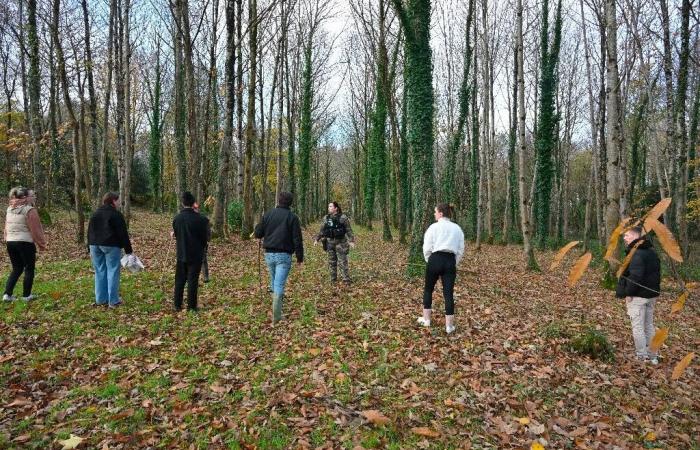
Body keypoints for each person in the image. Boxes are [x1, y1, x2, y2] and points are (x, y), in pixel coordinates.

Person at [253, 191, 304, 324]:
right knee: (278, 283)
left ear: (279, 201)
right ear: (290, 203)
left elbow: (258, 233)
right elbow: (297, 239)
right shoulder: (293, 217)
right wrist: (300, 258)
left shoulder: (268, 214)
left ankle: (277, 308)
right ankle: (276, 316)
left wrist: (261, 223)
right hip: (284, 256)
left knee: (274, 281)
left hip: (269, 254)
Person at [615, 226, 661, 364]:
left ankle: (642, 357)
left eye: (627, 235)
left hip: (639, 296)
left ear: (636, 237)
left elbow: (635, 276)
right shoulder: (651, 252)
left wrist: (628, 293)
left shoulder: (637, 254)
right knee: (648, 325)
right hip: (651, 295)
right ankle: (653, 356)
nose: (624, 238)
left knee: (638, 326)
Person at [417, 203, 465, 334]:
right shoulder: (457, 229)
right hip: (450, 260)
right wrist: (453, 262)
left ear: (441, 213)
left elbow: (427, 247)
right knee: (448, 293)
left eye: (435, 211)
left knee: (428, 289)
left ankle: (426, 320)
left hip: (435, 259)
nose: (434, 214)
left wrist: (430, 260)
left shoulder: (433, 227)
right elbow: (460, 249)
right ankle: (449, 326)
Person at [87, 192, 133, 308]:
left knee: (99, 271)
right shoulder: (116, 215)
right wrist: (128, 251)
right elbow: (123, 233)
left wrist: (89, 247)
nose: (119, 203)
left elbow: (89, 231)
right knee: (113, 271)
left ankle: (100, 299)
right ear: (113, 201)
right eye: (118, 200)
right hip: (111, 245)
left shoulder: (95, 213)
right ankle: (113, 301)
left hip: (94, 245)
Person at [3, 187, 47, 302]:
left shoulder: (9, 209)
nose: (34, 198)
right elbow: (36, 230)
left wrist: (6, 239)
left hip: (10, 242)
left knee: (16, 268)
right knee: (29, 268)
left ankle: (7, 295)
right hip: (25, 243)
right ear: (24, 198)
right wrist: (42, 244)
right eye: (32, 196)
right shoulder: (29, 210)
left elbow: (6, 228)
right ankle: (26, 296)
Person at [172, 192, 210, 312]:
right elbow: (206, 238)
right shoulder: (202, 220)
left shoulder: (177, 218)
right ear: (193, 203)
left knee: (180, 280)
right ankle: (191, 306)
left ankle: (177, 304)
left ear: (183, 203)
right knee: (192, 280)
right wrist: (203, 247)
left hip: (182, 253)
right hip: (196, 254)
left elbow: (177, 234)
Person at [313, 202, 355, 284]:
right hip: (330, 243)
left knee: (343, 261)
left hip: (341, 243)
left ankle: (346, 279)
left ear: (336, 208)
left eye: (331, 206)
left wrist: (351, 240)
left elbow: (348, 230)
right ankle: (333, 279)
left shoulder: (343, 218)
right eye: (328, 206)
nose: (329, 208)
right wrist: (317, 239)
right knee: (332, 262)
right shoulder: (326, 218)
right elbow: (322, 230)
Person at [192, 202, 211, 283]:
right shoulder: (190, 219)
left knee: (203, 260)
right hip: (193, 243)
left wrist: (208, 239)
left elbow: (208, 230)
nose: (196, 209)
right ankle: (194, 276)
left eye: (196, 208)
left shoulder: (203, 219)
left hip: (201, 243)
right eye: (194, 208)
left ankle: (205, 277)